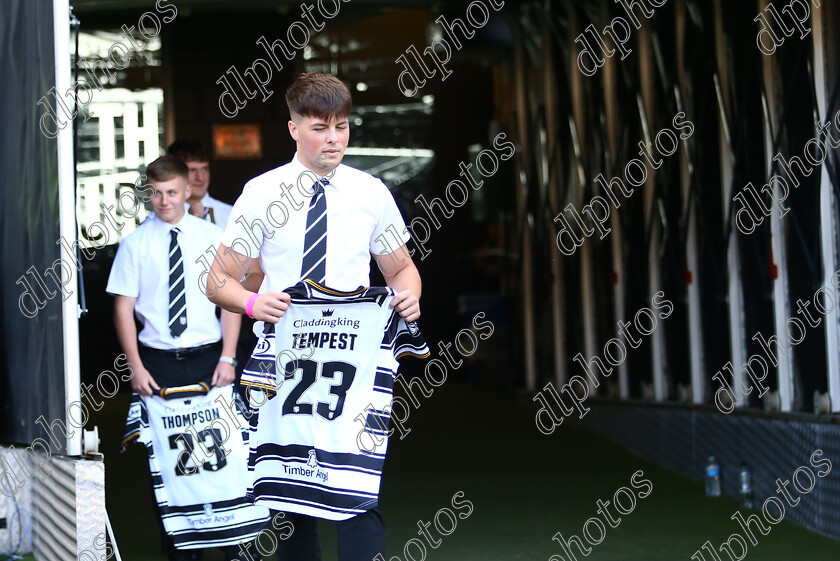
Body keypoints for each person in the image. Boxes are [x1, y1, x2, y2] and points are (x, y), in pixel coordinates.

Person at [206, 72, 422, 561]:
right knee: (288, 498)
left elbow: (402, 269)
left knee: (357, 491)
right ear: (293, 128)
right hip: (285, 354)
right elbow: (217, 280)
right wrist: (254, 303)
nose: (334, 139)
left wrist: (408, 296)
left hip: (353, 356)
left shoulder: (370, 192)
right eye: (321, 128)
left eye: (342, 127)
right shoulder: (262, 192)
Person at [106, 155, 258, 561]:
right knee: (171, 465)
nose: (163, 200)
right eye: (154, 193)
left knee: (228, 457)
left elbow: (230, 302)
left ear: (188, 189)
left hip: (210, 357)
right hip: (157, 363)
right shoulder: (134, 244)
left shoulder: (212, 237)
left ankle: (237, 550)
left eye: (171, 192)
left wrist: (229, 357)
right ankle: (181, 554)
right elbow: (123, 308)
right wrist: (135, 367)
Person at [167, 139, 233, 228]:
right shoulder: (164, 216)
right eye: (192, 170)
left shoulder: (230, 214)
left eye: (204, 169)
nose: (200, 178)